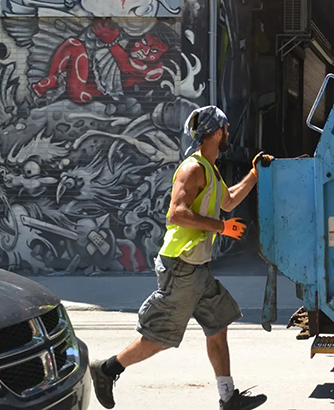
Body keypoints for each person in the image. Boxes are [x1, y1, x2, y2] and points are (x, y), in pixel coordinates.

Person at [89, 105, 272, 410]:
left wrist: (254, 174)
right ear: (216, 133)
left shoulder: (210, 168)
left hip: (197, 268)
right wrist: (221, 228)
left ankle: (228, 397)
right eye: (225, 129)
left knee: (219, 323)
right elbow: (177, 214)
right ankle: (107, 370)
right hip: (181, 267)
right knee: (159, 338)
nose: (228, 134)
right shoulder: (193, 168)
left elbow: (227, 202)